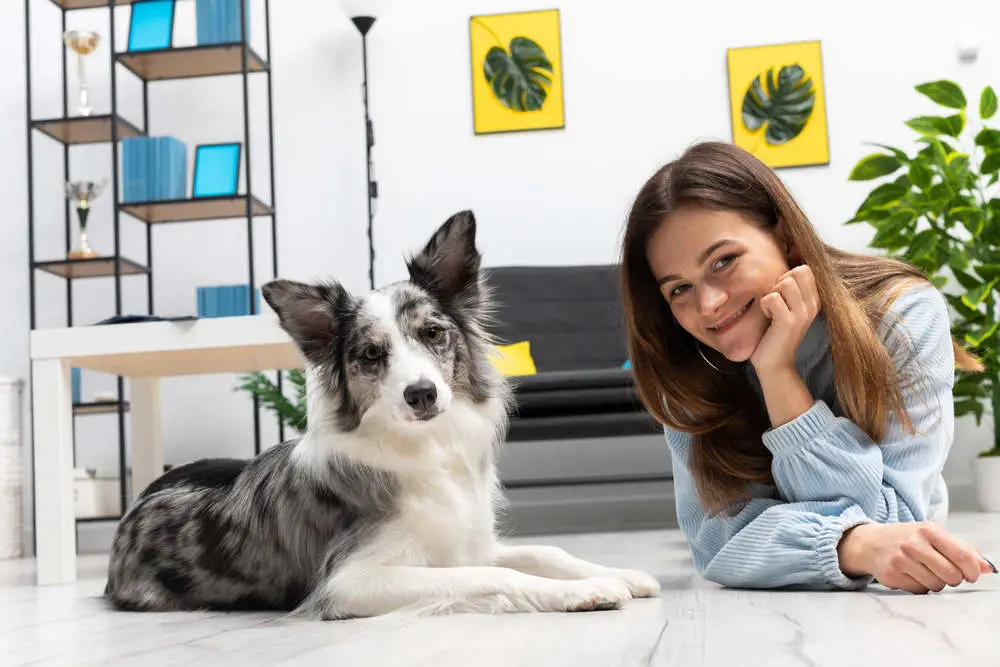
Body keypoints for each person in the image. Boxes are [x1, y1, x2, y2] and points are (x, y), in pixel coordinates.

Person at [619, 140, 997, 594]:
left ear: (786, 237)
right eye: (679, 289)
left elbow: (897, 521)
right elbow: (717, 543)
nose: (710, 305)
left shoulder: (901, 314)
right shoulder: (684, 370)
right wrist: (850, 546)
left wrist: (777, 373)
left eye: (724, 261)